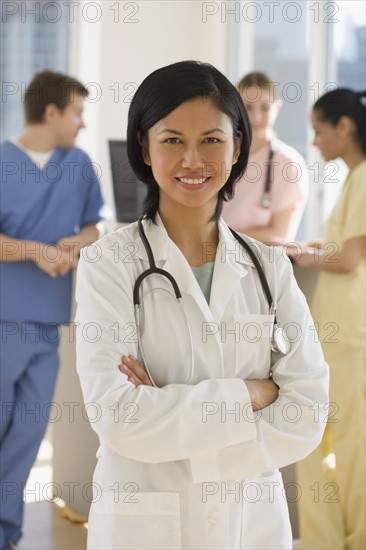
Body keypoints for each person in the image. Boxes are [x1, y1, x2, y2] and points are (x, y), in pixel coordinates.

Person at [75, 60, 328, 550]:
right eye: (172, 140)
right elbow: (118, 416)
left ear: (237, 148)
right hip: (145, 525)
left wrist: (172, 430)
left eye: (212, 139)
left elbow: (307, 412)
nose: (193, 159)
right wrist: (252, 394)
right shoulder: (108, 263)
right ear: (144, 148)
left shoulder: (268, 267)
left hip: (250, 522)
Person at [0, 70, 106, 550]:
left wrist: (73, 243)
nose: (82, 124)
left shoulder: (79, 164)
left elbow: (93, 228)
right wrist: (34, 251)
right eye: (77, 113)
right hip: (4, 317)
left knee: (28, 431)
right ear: (51, 113)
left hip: (48, 321)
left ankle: (7, 532)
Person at [288, 88, 366, 549]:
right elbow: (345, 249)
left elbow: (350, 260)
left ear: (344, 126)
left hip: (352, 331)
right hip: (340, 330)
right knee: (323, 438)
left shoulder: (364, 176)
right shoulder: (353, 179)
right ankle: (327, 539)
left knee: (351, 444)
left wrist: (300, 255)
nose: (315, 141)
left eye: (319, 129)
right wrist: (313, 249)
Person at [222, 71, 309, 244]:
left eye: (265, 108)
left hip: (260, 264)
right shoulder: (220, 155)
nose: (256, 117)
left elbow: (280, 235)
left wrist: (222, 237)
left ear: (277, 108)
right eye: (248, 107)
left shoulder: (288, 165)